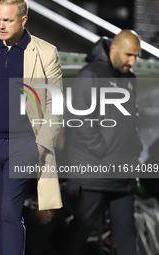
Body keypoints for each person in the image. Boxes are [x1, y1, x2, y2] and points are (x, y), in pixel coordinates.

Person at [0, 0, 63, 254]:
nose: (1, 25)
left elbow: (55, 104)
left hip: (23, 145)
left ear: (23, 20)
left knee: (10, 210)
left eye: (7, 20)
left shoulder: (45, 52)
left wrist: (39, 145)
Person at [64, 30, 142, 255]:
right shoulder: (90, 75)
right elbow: (79, 119)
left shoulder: (129, 78)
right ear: (114, 49)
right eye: (129, 55)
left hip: (123, 173)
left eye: (136, 56)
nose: (132, 61)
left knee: (127, 236)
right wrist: (101, 151)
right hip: (93, 173)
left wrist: (133, 149)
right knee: (79, 232)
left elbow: (131, 120)